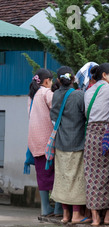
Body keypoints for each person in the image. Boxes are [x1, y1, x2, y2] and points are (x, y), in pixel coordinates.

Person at [50, 67, 88, 224]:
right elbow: (86, 115)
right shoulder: (79, 95)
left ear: (58, 80)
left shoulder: (56, 95)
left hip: (60, 143)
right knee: (77, 179)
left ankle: (65, 215)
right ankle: (77, 215)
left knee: (63, 179)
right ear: (73, 79)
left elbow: (53, 118)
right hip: (77, 142)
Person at [83, 63, 109, 226]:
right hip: (106, 134)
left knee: (91, 174)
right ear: (104, 75)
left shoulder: (88, 91)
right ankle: (108, 215)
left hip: (90, 134)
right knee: (108, 174)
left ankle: (95, 216)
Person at [27, 69, 63, 217]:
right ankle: (58, 209)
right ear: (47, 80)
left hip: (34, 141)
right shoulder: (46, 93)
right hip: (48, 141)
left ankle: (45, 207)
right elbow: (58, 109)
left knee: (42, 175)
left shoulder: (32, 96)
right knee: (58, 175)